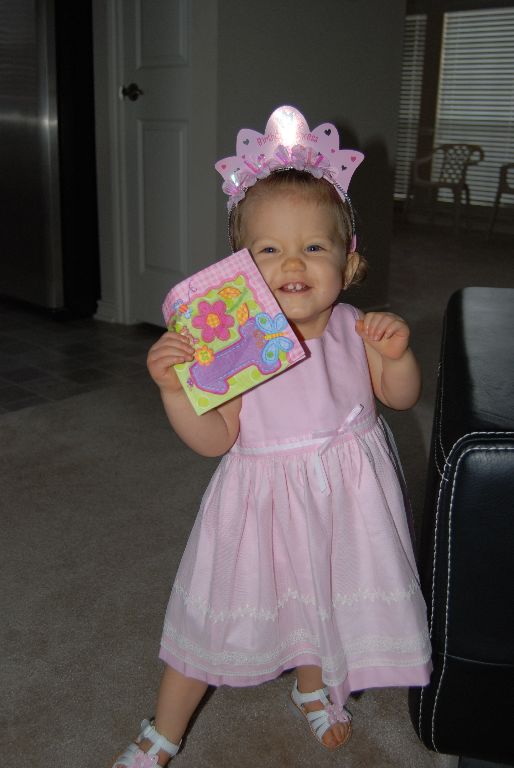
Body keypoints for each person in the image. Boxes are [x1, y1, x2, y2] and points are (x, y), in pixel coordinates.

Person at [112, 106, 432, 767]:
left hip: (346, 505)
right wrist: (174, 391)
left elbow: (400, 398)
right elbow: (213, 439)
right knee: (216, 617)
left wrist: (397, 356)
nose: (292, 262)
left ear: (349, 261)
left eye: (314, 247)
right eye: (268, 249)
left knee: (325, 596)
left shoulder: (357, 329)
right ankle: (164, 729)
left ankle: (313, 686)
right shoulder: (236, 344)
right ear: (239, 269)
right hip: (260, 508)